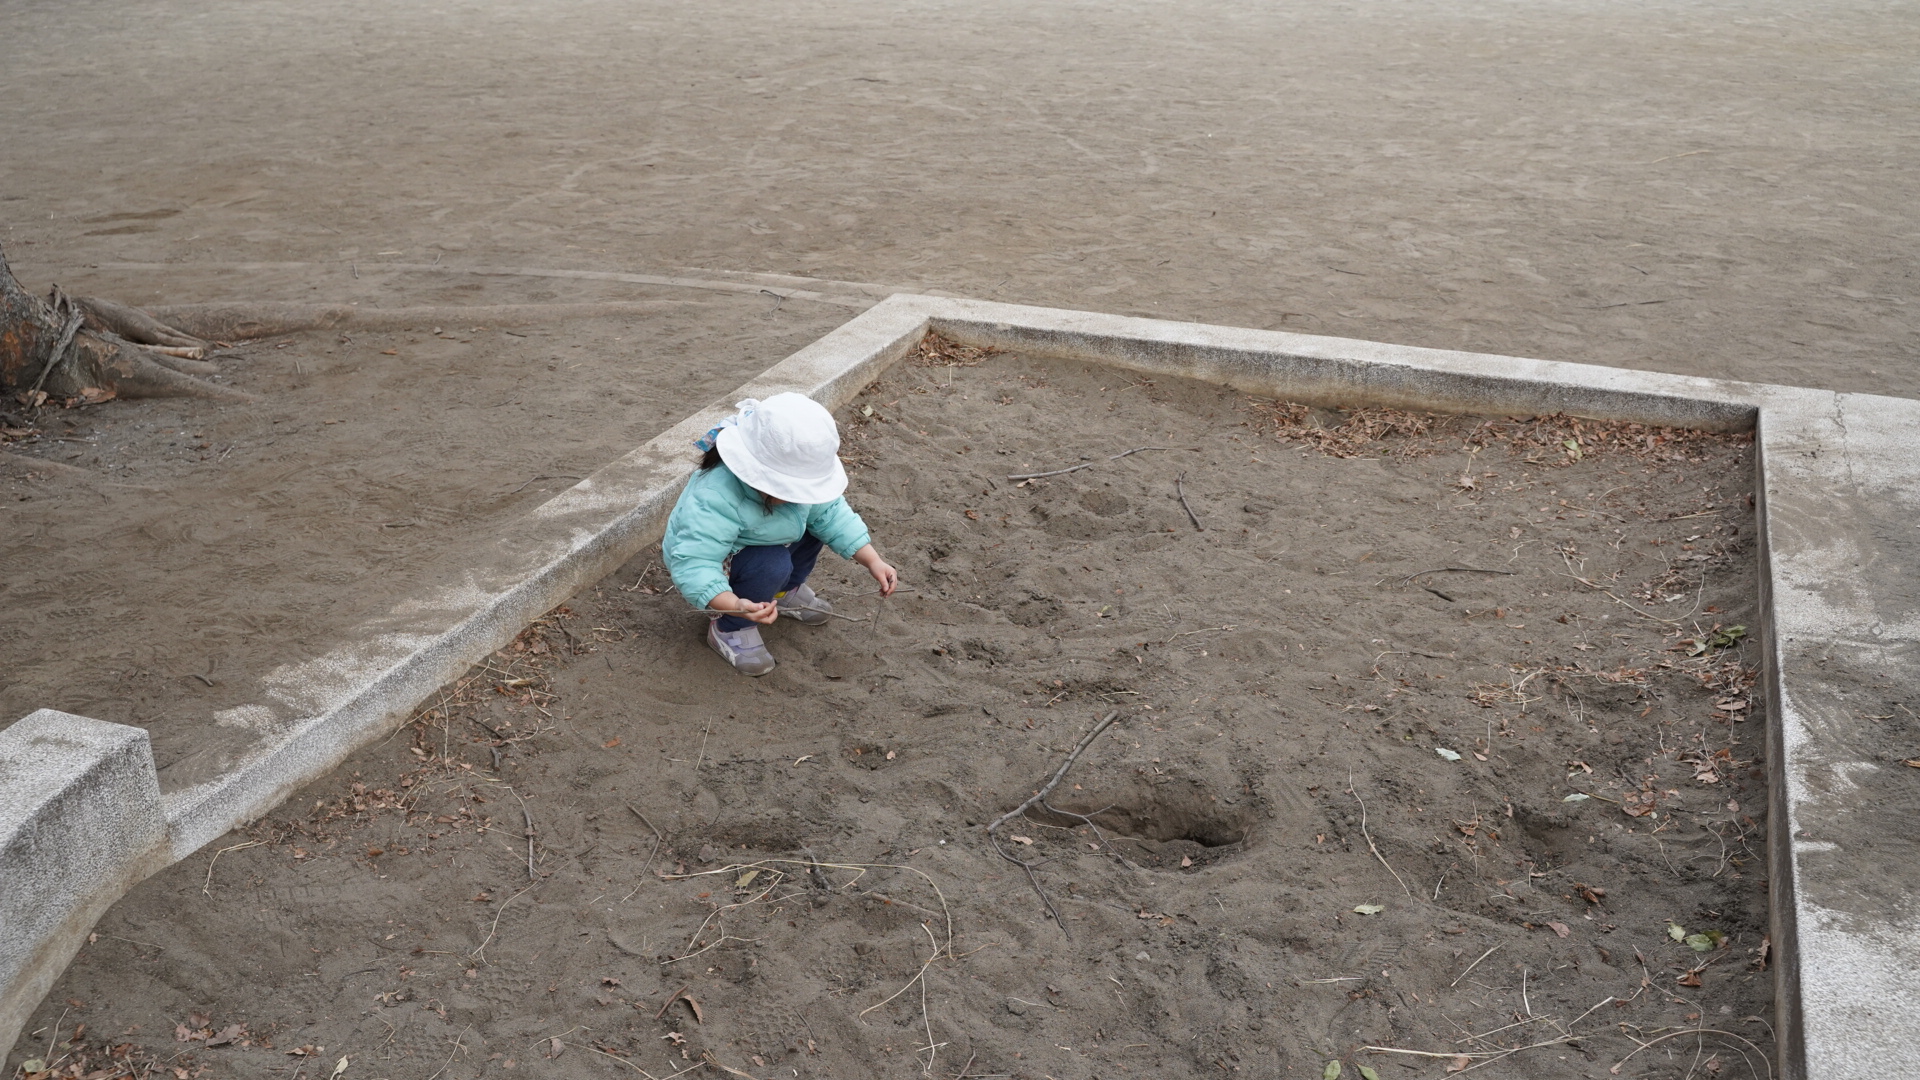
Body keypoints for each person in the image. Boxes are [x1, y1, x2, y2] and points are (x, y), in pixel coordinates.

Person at [662, 392, 898, 675]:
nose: (800, 496)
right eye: (790, 489)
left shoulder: (796, 485)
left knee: (815, 528)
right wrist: (735, 605)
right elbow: (695, 563)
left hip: (765, 537)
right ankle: (731, 628)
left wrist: (873, 560)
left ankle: (783, 591)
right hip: (721, 564)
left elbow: (830, 513)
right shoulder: (716, 495)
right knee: (771, 563)